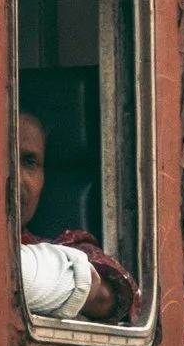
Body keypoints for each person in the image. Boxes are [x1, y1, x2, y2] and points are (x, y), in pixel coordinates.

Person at [16, 108, 137, 322]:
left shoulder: (71, 246)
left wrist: (75, 279)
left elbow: (109, 296)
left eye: (29, 162)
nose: (16, 179)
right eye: (0, 157)